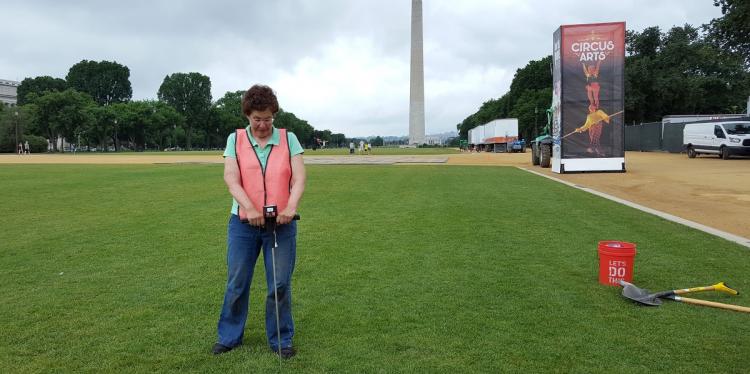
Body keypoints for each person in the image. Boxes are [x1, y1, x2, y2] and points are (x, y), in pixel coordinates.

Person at [213, 84, 306, 359]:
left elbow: (299, 177)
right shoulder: (236, 140)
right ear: (247, 116)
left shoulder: (289, 140)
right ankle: (229, 337)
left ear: (274, 115)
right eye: (257, 119)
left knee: (279, 284)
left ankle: (281, 340)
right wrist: (249, 208)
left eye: (267, 119)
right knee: (237, 282)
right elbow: (231, 177)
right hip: (243, 224)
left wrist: (291, 207)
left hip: (281, 223)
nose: (263, 125)